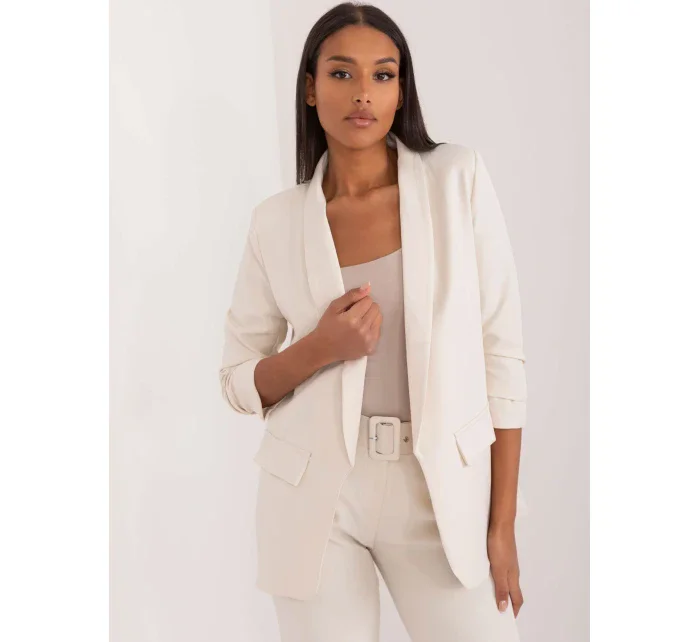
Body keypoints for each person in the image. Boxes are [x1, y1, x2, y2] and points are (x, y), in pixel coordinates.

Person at [219, 3, 528, 641]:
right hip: (315, 499)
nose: (363, 92)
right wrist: (320, 346)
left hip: (438, 490)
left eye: (382, 75)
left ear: (400, 91)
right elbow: (238, 381)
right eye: (341, 73)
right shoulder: (276, 222)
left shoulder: (457, 180)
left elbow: (501, 356)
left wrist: (502, 525)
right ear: (310, 88)